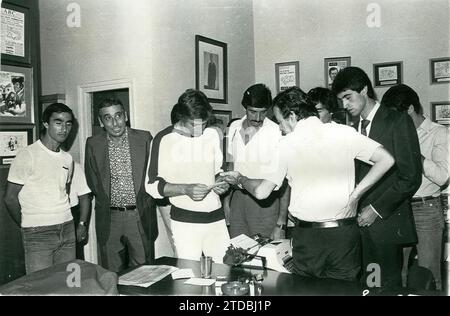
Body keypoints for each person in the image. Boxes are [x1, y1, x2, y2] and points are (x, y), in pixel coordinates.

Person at [221, 86, 395, 281]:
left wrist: (240, 179)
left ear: (293, 116)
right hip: (344, 235)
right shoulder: (345, 132)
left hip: (308, 237)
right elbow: (386, 159)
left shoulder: (287, 144)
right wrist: (356, 194)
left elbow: (262, 192)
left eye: (280, 122)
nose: (280, 128)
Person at [332, 67, 422, 291]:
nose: (345, 105)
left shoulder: (397, 121)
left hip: (384, 223)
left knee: (380, 287)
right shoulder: (349, 127)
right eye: (340, 100)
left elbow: (410, 177)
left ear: (364, 90)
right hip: (354, 227)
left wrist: (375, 209)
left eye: (348, 97)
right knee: (363, 288)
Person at [146, 89, 230, 263]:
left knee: (224, 274)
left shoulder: (213, 134)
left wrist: (221, 182)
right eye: (194, 124)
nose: (200, 129)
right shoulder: (163, 139)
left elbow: (218, 171)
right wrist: (185, 189)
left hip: (216, 219)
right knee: (190, 279)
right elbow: (151, 185)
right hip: (185, 222)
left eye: (204, 123)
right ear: (181, 117)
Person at [381, 84, 449, 290]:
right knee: (396, 274)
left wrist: (413, 154)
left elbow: (443, 177)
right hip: (397, 208)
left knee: (428, 275)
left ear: (410, 109)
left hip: (425, 209)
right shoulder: (393, 132)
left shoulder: (439, 133)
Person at [85, 98, 157, 273]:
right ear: (101, 122)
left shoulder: (145, 138)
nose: (115, 123)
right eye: (108, 118)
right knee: (111, 272)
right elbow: (93, 181)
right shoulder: (93, 144)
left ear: (126, 116)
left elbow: (154, 174)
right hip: (110, 217)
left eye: (118, 116)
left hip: (139, 215)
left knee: (145, 272)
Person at [4, 103, 75, 274]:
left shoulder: (67, 158)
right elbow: (10, 198)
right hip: (38, 233)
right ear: (45, 124)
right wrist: (27, 224)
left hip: (67, 228)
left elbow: (62, 191)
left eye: (68, 123)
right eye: (58, 122)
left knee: (69, 286)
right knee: (40, 288)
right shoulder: (27, 155)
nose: (64, 129)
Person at [226, 83, 288, 240]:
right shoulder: (234, 127)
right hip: (238, 200)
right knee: (237, 253)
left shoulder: (277, 132)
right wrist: (227, 203)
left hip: (265, 203)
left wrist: (281, 222)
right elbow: (230, 167)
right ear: (245, 107)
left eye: (263, 112)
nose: (258, 118)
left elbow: (286, 181)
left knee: (263, 255)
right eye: (253, 112)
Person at [68, 161, 92, 260]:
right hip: (47, 218)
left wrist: (82, 224)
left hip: (71, 216)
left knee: (74, 261)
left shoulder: (73, 166)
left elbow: (84, 197)